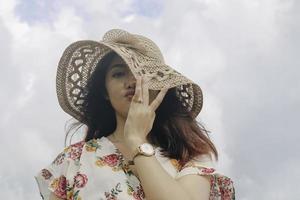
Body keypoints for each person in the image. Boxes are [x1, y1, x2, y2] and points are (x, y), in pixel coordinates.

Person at [35, 29, 235, 200]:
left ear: (160, 87)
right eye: (118, 73)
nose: (131, 81)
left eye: (141, 73)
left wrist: (137, 140)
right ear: (104, 91)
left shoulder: (189, 157)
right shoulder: (75, 159)